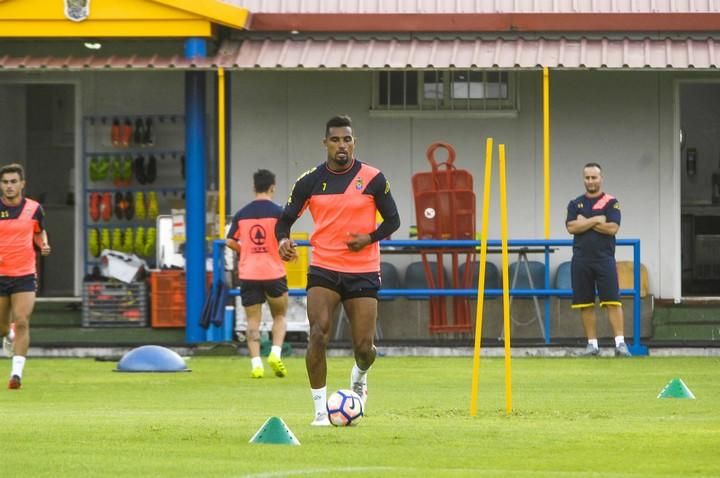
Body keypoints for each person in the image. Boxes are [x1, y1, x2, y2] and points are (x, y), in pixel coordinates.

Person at [276, 115, 400, 426]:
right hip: (324, 267)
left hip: (363, 270)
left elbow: (393, 221)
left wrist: (368, 238)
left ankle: (360, 375)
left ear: (354, 142)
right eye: (335, 140)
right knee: (318, 333)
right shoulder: (309, 181)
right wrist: (282, 240)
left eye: (347, 140)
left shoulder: (373, 178)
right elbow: (285, 219)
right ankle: (320, 413)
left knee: (363, 348)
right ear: (325, 143)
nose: (341, 145)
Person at [226, 169, 289, 379]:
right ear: (273, 188)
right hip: (274, 272)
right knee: (279, 315)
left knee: (253, 320)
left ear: (254, 188)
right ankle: (275, 352)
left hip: (249, 273)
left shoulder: (242, 214)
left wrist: (246, 251)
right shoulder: (279, 212)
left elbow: (229, 240)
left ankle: (256, 364)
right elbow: (285, 240)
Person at [565, 162, 631, 357]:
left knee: (613, 301)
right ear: (583, 179)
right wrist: (596, 220)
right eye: (587, 177)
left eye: (594, 177)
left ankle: (620, 344)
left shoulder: (611, 202)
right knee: (585, 303)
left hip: (605, 259)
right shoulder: (574, 203)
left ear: (601, 178)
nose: (591, 181)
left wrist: (583, 221)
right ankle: (592, 345)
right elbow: (571, 228)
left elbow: (612, 228)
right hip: (581, 260)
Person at [0, 163, 52, 389]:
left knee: (22, 321)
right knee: (2, 328)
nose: (9, 186)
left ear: (22, 184)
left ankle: (16, 374)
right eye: (5, 182)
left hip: (24, 274)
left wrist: (44, 244)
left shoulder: (34, 208)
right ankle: (6, 333)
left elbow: (39, 231)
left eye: (13, 182)